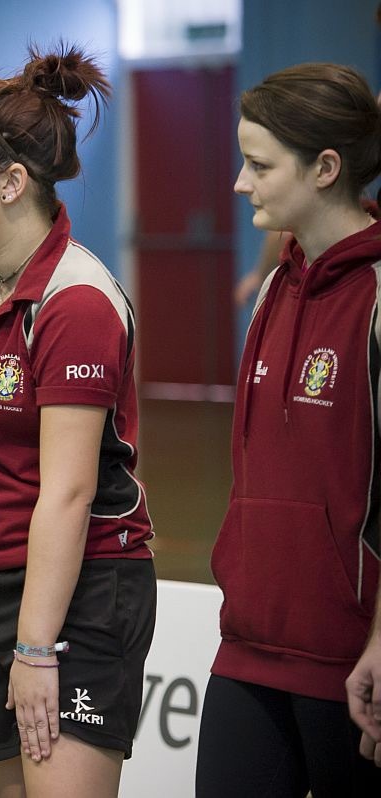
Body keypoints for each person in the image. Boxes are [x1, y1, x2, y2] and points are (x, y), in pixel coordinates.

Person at [0, 44, 156, 798]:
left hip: (79, 588)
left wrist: (38, 648)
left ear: (12, 183)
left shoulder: (76, 302)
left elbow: (69, 494)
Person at [196, 62, 381, 795]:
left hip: (354, 662)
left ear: (326, 167)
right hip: (247, 645)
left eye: (260, 164)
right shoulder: (274, 285)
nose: (241, 182)